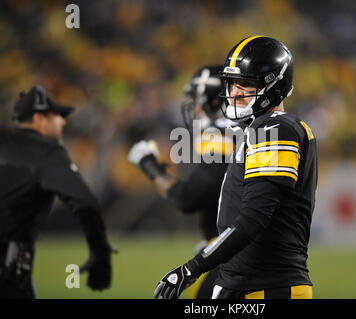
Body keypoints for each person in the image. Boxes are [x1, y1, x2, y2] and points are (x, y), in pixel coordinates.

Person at [153, 36, 318, 299]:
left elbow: (253, 219)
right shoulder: (259, 129)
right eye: (233, 83)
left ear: (275, 86)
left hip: (266, 287)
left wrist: (193, 268)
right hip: (244, 283)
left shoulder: (276, 128)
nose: (236, 91)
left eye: (247, 83)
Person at [128, 65, 234, 299]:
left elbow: (187, 198)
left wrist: (149, 164)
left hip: (237, 253)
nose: (194, 106)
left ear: (216, 101)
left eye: (198, 98)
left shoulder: (221, 136)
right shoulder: (245, 130)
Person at [0, 85, 114, 299]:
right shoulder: (47, 152)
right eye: (56, 116)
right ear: (38, 119)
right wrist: (101, 254)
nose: (62, 122)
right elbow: (84, 203)